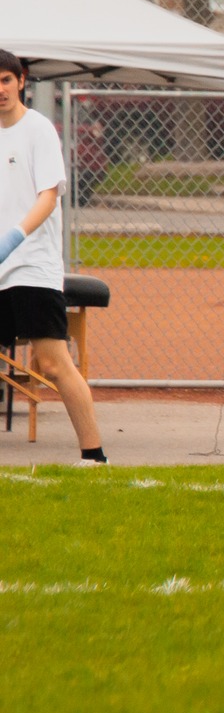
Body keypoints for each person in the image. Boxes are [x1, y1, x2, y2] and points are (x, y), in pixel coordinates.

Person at [0, 50, 104, 463]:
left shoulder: (38, 129)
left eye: (6, 80)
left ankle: (94, 456)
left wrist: (15, 237)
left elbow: (48, 195)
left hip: (32, 267)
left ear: (21, 81)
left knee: (52, 361)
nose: (1, 89)